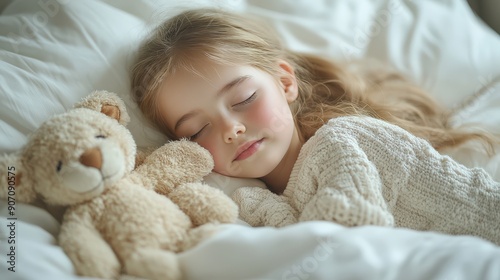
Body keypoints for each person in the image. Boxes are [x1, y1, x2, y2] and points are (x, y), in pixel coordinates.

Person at [130, 8, 500, 245]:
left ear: (285, 83)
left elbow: (346, 243)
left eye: (243, 99)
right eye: (196, 131)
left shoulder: (341, 142)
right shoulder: (268, 189)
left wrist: (256, 204)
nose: (231, 129)